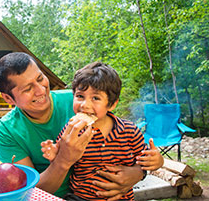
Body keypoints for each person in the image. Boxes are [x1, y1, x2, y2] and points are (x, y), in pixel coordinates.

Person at [0, 52, 163, 199]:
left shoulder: (78, 99)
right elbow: (29, 193)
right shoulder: (6, 131)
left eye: (40, 78)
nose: (41, 90)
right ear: (8, 98)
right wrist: (62, 158)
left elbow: (122, 143)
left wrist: (138, 173)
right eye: (28, 88)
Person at [40, 61, 163, 200]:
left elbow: (144, 162)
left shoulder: (130, 132)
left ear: (111, 104)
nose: (85, 105)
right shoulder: (71, 130)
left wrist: (158, 161)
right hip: (81, 198)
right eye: (80, 96)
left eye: (96, 98)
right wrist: (55, 153)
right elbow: (63, 154)